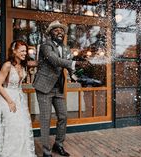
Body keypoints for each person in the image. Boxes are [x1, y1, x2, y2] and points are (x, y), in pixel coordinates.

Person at [33, 20, 90, 157]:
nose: (59, 32)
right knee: (46, 120)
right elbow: (55, 61)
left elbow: (69, 67)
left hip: (58, 88)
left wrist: (76, 75)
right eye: (56, 30)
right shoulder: (45, 46)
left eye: (61, 30)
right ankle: (46, 152)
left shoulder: (65, 48)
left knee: (63, 116)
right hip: (44, 88)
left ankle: (58, 145)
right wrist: (76, 63)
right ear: (50, 33)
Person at [0, 40, 36, 157]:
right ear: (14, 51)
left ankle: (21, 153)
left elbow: (35, 64)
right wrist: (10, 101)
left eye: (25, 51)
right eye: (22, 51)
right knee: (12, 126)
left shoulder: (22, 65)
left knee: (23, 126)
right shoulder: (7, 65)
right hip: (7, 96)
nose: (25, 53)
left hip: (19, 97)